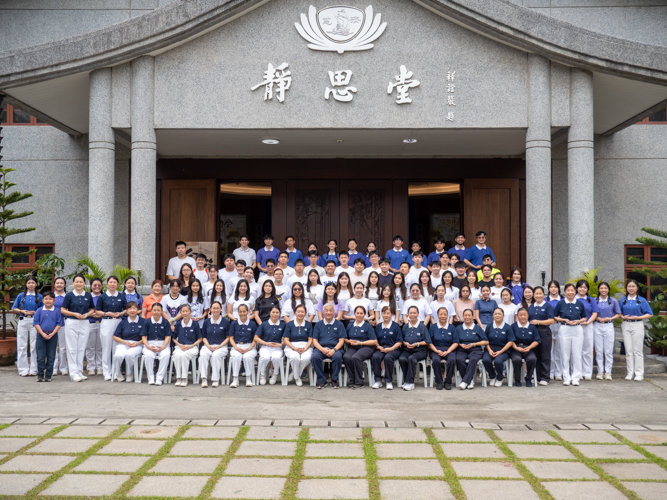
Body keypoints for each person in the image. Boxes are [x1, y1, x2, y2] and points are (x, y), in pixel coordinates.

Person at [60, 274, 96, 382]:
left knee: (81, 347)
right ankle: (74, 373)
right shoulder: (69, 295)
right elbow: (63, 310)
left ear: (84, 283)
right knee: (72, 348)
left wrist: (87, 315)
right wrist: (74, 314)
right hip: (72, 322)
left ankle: (80, 371)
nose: (79, 284)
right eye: (77, 282)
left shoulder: (88, 295)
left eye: (81, 282)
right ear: (73, 283)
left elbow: (92, 309)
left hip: (84, 322)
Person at [554, 283, 587, 386]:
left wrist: (578, 321)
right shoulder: (561, 303)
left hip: (577, 329)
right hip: (564, 328)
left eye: (572, 290)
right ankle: (566, 378)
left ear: (575, 291)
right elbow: (555, 317)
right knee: (565, 354)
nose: (570, 292)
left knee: (577, 354)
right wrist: (563, 319)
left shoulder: (579, 303)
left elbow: (584, 318)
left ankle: (576, 377)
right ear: (564, 292)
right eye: (568, 290)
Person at [620, 279, 653, 381]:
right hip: (626, 325)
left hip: (637, 325)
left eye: (633, 286)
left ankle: (639, 373)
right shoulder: (623, 300)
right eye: (629, 286)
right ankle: (630, 372)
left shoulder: (641, 300)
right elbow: (618, 313)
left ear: (637, 288)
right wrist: (622, 316)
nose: (631, 288)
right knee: (628, 351)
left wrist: (638, 317)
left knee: (637, 351)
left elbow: (650, 313)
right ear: (626, 288)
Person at [96, 275, 127, 381]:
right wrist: (106, 313)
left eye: (114, 282)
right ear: (107, 284)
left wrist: (121, 313)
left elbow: (126, 309)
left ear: (117, 284)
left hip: (118, 322)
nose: (112, 284)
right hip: (106, 322)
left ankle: (116, 372)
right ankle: (107, 372)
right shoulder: (102, 297)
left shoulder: (122, 296)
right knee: (106, 348)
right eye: (110, 282)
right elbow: (97, 311)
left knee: (116, 348)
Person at [12, 276, 43, 377]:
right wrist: (21, 311)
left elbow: (43, 309)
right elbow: (14, 308)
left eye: (33, 283)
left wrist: (36, 311)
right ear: (26, 284)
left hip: (35, 321)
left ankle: (34, 369)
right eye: (29, 282)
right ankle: (23, 369)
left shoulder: (39, 296)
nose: (31, 284)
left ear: (36, 284)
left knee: (34, 345)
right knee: (22, 345)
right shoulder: (21, 295)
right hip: (23, 320)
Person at [311, 304, 346, 389]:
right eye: (326, 310)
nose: (328, 312)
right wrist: (322, 349)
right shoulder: (318, 324)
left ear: (334, 312)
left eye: (331, 310)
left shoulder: (339, 324)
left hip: (336, 349)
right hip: (321, 348)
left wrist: (333, 350)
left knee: (338, 357)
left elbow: (341, 341)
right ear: (323, 312)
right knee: (314, 357)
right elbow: (314, 341)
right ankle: (321, 380)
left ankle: (334, 380)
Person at [33, 292, 64, 382]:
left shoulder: (57, 311)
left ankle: (48, 375)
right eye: (46, 299)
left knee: (51, 355)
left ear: (54, 300)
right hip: (41, 335)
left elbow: (59, 323)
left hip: (52, 335)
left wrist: (53, 333)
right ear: (42, 300)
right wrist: (42, 334)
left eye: (50, 299)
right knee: (40, 356)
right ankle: (40, 374)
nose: (48, 301)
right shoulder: (39, 310)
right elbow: (36, 323)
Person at [398, 306, 431, 391]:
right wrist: (405, 343)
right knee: (402, 358)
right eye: (411, 313)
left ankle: (410, 382)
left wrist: (417, 344)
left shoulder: (422, 326)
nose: (412, 315)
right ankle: (406, 380)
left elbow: (427, 341)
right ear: (408, 314)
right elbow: (401, 340)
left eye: (414, 313)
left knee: (411, 359)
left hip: (420, 351)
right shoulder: (405, 326)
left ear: (418, 314)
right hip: (407, 349)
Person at [199, 301, 231, 388]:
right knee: (203, 355)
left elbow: (228, 338)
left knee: (216, 355)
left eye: (217, 308)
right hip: (208, 345)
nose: (216, 310)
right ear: (210, 309)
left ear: (221, 309)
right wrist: (208, 345)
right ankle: (204, 379)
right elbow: (203, 336)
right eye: (214, 308)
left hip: (221, 347)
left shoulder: (225, 322)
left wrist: (219, 346)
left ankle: (215, 379)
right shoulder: (206, 322)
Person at [344, 306, 378, 388]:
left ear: (365, 315)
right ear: (354, 314)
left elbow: (374, 341)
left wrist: (361, 343)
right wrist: (349, 341)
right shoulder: (350, 325)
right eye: (357, 313)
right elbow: (344, 338)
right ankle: (352, 380)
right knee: (346, 357)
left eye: (361, 313)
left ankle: (359, 382)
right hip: (353, 347)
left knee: (356, 357)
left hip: (366, 347)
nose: (359, 315)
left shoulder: (367, 326)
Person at [111, 301, 144, 383]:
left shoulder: (143, 322)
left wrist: (138, 343)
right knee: (118, 355)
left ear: (138, 310)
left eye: (134, 308)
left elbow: (146, 337)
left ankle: (129, 373)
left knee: (129, 354)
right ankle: (118, 373)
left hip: (137, 344)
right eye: (130, 308)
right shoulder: (123, 322)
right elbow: (115, 337)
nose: (132, 310)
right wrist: (125, 343)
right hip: (124, 343)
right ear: (127, 311)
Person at [455, 309, 488, 390]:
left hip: (475, 349)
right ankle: (469, 381)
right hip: (461, 349)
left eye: (469, 315)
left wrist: (474, 344)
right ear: (463, 317)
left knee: (473, 359)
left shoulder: (477, 328)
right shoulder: (458, 328)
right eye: (465, 315)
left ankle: (465, 381)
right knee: (459, 359)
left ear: (473, 317)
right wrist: (460, 345)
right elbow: (454, 341)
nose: (467, 317)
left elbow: (486, 341)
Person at [594, 282, 621, 380]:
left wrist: (609, 318)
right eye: (601, 288)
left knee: (608, 351)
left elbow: (618, 314)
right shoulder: (595, 300)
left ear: (608, 290)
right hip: (597, 326)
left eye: (605, 288)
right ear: (599, 290)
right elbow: (591, 313)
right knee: (599, 350)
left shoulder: (613, 301)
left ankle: (608, 372)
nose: (603, 290)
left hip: (609, 326)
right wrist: (597, 318)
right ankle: (600, 371)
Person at [528, 286, 555, 386]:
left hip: (544, 332)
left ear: (544, 295)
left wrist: (538, 322)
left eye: (540, 293)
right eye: (536, 294)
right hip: (533, 333)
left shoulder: (547, 306)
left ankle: (545, 377)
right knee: (535, 355)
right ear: (533, 295)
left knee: (545, 355)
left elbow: (551, 320)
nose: (538, 295)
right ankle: (537, 376)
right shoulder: (531, 306)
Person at [371, 306, 403, 390]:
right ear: (381, 314)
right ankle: (378, 380)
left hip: (394, 348)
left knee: (388, 357)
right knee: (375, 357)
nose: (386, 315)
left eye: (388, 313)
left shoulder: (396, 326)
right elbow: (375, 340)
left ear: (391, 314)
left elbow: (399, 341)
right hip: (381, 348)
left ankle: (388, 381)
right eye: (384, 313)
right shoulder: (378, 326)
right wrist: (378, 347)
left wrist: (391, 349)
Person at [140, 302, 172, 386]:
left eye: (158, 310)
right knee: (149, 356)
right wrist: (147, 346)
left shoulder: (165, 322)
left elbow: (168, 336)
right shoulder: (147, 322)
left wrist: (163, 346)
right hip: (150, 344)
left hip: (163, 344)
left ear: (161, 311)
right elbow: (144, 336)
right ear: (151, 311)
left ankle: (159, 378)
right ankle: (150, 378)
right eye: (155, 310)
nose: (156, 312)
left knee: (165, 355)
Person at [228, 304, 258, 388]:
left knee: (247, 357)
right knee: (236, 356)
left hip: (249, 346)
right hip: (237, 345)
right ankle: (235, 379)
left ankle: (248, 378)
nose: (242, 313)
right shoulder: (234, 323)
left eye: (244, 311)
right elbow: (231, 338)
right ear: (238, 312)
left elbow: (255, 339)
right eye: (240, 311)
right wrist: (236, 347)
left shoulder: (252, 324)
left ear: (248, 312)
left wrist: (249, 348)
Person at [483, 308, 514, 388]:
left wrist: (500, 352)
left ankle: (500, 378)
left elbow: (510, 342)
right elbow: (485, 340)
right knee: (486, 360)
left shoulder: (507, 327)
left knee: (498, 361)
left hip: (503, 349)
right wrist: (489, 350)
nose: (497, 315)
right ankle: (492, 376)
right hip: (490, 348)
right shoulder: (489, 326)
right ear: (493, 315)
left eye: (499, 314)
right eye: (495, 314)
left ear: (503, 315)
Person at [574, 280, 599, 381]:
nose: (582, 289)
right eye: (580, 287)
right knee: (576, 350)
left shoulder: (590, 300)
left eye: (584, 287)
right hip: (575, 326)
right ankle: (578, 372)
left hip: (588, 326)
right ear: (577, 288)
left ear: (587, 289)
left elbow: (595, 313)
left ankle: (587, 372)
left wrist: (588, 322)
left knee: (587, 350)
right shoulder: (573, 299)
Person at [429, 307, 459, 390]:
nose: (443, 316)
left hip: (449, 349)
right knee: (435, 360)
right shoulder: (433, 327)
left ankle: (448, 381)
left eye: (445, 314)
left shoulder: (452, 327)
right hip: (436, 349)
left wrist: (448, 351)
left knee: (452, 360)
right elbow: (429, 342)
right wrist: (436, 350)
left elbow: (456, 342)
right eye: (441, 314)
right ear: (437, 316)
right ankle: (438, 381)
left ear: (448, 316)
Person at [283, 304, 313, 387]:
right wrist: (294, 348)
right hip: (291, 347)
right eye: (298, 311)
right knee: (295, 357)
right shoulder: (290, 324)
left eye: (302, 312)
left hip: (305, 346)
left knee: (306, 358)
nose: (300, 313)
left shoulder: (308, 324)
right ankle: (297, 378)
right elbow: (286, 340)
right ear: (295, 313)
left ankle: (294, 373)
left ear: (305, 313)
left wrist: (305, 348)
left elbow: (310, 339)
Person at [510, 308, 541, 387]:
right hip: (515, 348)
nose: (523, 317)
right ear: (517, 316)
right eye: (520, 315)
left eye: (525, 315)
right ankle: (517, 379)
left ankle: (528, 377)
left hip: (528, 348)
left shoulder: (532, 327)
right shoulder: (513, 326)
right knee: (517, 359)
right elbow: (510, 340)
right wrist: (516, 348)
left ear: (528, 316)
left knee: (532, 359)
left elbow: (537, 340)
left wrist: (529, 347)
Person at [255, 306, 286, 385]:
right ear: (270, 313)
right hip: (265, 347)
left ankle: (275, 374)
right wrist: (266, 343)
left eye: (277, 312)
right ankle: (262, 374)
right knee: (264, 358)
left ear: (279, 314)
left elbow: (286, 338)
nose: (275, 314)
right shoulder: (264, 324)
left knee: (276, 358)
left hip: (277, 348)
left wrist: (281, 344)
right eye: (273, 312)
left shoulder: (283, 325)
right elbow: (256, 338)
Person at [172, 305, 202, 386]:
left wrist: (191, 346)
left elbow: (200, 339)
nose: (185, 313)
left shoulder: (195, 324)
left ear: (190, 312)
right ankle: (178, 377)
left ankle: (184, 378)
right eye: (183, 311)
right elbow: (174, 338)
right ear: (180, 313)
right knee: (177, 355)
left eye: (187, 311)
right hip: (180, 346)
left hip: (192, 347)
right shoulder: (178, 324)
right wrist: (179, 344)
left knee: (185, 355)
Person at [86, 278, 103, 376]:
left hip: (102, 323)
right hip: (90, 323)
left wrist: (101, 314)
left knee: (100, 347)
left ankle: (100, 367)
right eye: (94, 285)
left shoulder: (104, 297)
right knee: (90, 347)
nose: (97, 287)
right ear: (91, 286)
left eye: (99, 285)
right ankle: (91, 367)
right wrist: (91, 314)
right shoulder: (87, 296)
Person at [52, 277, 69, 376]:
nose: (59, 285)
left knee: (63, 347)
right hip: (52, 323)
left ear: (64, 285)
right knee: (53, 346)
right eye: (57, 283)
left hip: (63, 323)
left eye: (61, 283)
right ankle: (53, 368)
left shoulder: (67, 296)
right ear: (54, 284)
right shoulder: (51, 296)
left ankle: (63, 367)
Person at [546, 280, 563, 381]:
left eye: (555, 287)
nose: (553, 289)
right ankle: (551, 371)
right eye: (551, 287)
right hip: (549, 326)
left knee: (559, 350)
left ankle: (559, 372)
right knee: (550, 350)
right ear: (548, 289)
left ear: (558, 289)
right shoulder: (545, 300)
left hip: (560, 325)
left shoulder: (563, 300)